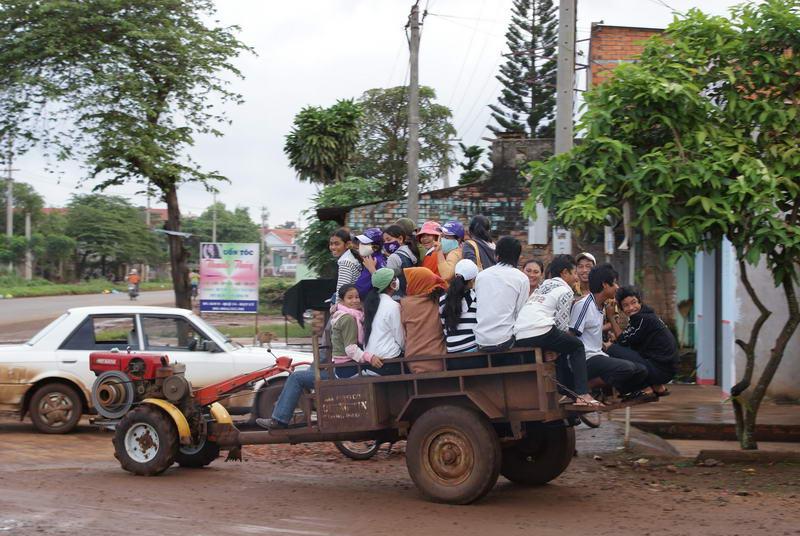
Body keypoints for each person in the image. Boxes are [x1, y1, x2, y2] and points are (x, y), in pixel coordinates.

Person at [255, 284, 373, 430]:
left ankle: (280, 419)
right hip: (344, 368)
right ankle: (286, 414)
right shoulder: (353, 317)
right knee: (300, 376)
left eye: (356, 297)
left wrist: (370, 358)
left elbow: (350, 350)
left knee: (296, 378)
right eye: (350, 298)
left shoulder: (347, 318)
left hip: (344, 372)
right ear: (341, 301)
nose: (355, 300)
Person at [514, 254, 600, 408]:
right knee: (576, 346)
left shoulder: (545, 285)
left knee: (563, 348)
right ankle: (582, 394)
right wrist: (558, 347)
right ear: (565, 273)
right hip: (540, 331)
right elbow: (562, 324)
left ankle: (566, 391)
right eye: (574, 273)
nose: (576, 278)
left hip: (521, 334)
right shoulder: (565, 290)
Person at [571, 265, 648, 398]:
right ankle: (581, 387)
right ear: (605, 285)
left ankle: (620, 392)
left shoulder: (602, 306)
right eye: (614, 283)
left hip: (598, 355)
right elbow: (572, 334)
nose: (617, 287)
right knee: (627, 368)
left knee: (641, 369)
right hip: (586, 359)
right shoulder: (584, 305)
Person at [606, 285, 678, 396]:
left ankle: (644, 387)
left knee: (612, 350)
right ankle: (657, 386)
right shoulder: (647, 315)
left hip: (661, 371)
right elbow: (632, 340)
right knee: (627, 350)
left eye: (634, 302)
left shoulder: (642, 319)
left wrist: (611, 318)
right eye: (626, 305)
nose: (631, 308)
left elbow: (623, 341)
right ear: (621, 308)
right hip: (667, 369)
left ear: (640, 302)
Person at [474, 236, 529, 352]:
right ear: (517, 257)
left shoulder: (481, 276)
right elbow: (521, 313)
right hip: (505, 341)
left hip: (481, 341)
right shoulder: (521, 278)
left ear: (496, 254)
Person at [401, 267, 448, 373]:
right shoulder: (438, 301)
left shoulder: (406, 304)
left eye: (410, 282)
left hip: (413, 361)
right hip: (440, 360)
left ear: (416, 283)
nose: (407, 286)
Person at [360, 268, 404, 375]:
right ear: (391, 284)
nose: (397, 280)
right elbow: (400, 337)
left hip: (370, 360)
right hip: (388, 361)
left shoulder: (370, 303)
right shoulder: (393, 306)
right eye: (394, 279)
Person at [383, 224, 418, 294]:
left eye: (388, 239)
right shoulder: (411, 251)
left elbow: (388, 282)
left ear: (400, 239)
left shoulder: (393, 257)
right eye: (384, 241)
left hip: (397, 296)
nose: (386, 243)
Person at [354, 228, 387, 300]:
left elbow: (361, 288)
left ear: (376, 247)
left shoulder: (373, 261)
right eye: (361, 242)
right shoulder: (376, 258)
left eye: (365, 243)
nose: (360, 245)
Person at [330, 228, 361, 296]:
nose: (333, 247)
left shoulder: (345, 263)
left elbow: (341, 292)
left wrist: (336, 305)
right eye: (331, 244)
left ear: (348, 244)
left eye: (337, 244)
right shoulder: (351, 257)